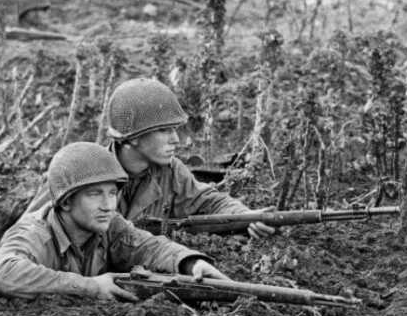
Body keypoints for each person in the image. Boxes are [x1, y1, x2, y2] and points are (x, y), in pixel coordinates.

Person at [25, 79, 275, 239]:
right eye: (164, 131)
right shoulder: (81, 170)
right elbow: (28, 232)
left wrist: (246, 216)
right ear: (133, 137)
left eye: (175, 129)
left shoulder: (169, 170)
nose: (176, 140)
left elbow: (208, 201)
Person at [0, 142, 227, 300]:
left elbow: (149, 247)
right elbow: (3, 274)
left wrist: (190, 263)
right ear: (66, 202)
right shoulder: (33, 232)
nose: (108, 205)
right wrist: (91, 287)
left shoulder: (110, 224)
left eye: (112, 193)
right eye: (94, 194)